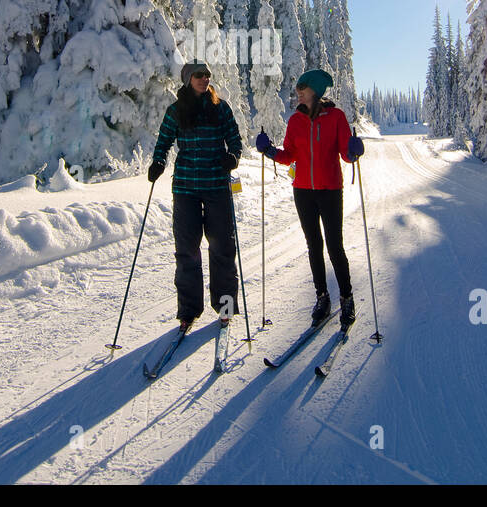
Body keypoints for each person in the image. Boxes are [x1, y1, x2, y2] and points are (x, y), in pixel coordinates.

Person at [255, 69, 365, 327]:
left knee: (334, 245)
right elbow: (289, 155)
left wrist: (353, 152)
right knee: (313, 246)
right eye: (297, 91)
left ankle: (347, 298)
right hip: (303, 191)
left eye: (302, 90)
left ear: (315, 91)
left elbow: (345, 155)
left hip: (329, 190)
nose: (298, 94)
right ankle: (322, 297)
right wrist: (269, 150)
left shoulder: (336, 117)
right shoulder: (295, 121)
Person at [149, 62, 244, 331]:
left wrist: (233, 157)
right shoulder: (176, 110)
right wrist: (158, 162)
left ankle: (225, 306)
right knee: (187, 251)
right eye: (199, 75)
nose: (205, 79)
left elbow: (235, 139)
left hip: (216, 185)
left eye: (207, 75)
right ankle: (188, 311)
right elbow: (164, 141)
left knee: (222, 248)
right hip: (186, 189)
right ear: (188, 79)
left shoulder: (220, 107)